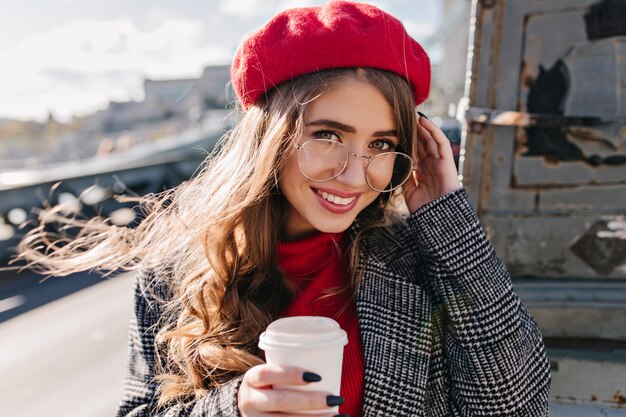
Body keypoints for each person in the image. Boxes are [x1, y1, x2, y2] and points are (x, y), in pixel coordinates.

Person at [16, 1, 551, 416]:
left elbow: (516, 405)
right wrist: (235, 407)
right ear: (270, 140)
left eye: (382, 145)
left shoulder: (420, 257)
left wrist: (448, 217)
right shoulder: (175, 275)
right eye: (328, 135)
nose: (354, 173)